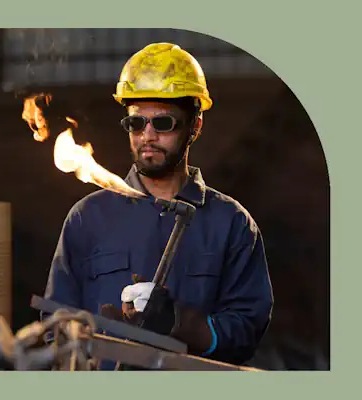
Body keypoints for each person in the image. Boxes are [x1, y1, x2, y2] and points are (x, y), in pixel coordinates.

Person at [42, 42, 274, 368]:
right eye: (136, 123)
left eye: (163, 123)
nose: (147, 135)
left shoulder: (231, 223)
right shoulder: (87, 218)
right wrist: (93, 341)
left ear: (195, 126)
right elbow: (56, 326)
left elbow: (248, 329)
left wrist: (184, 327)